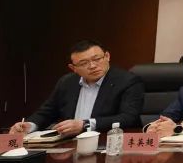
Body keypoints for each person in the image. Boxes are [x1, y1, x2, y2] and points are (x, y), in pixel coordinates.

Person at [10, 40, 144, 136]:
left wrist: (85, 125)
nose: (92, 66)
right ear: (73, 68)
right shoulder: (67, 82)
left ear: (107, 56)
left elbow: (128, 118)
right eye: (84, 63)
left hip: (106, 142)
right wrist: (30, 125)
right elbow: (47, 112)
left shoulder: (127, 81)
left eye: (97, 59)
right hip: (69, 143)